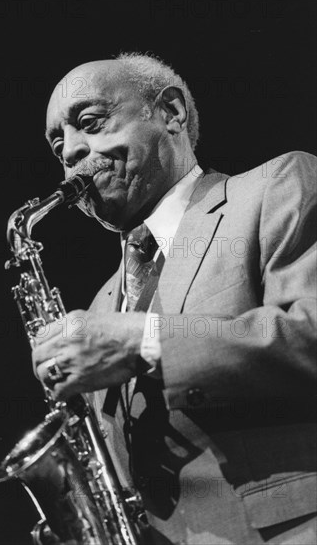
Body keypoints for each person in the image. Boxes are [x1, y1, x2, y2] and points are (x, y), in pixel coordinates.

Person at [33, 53, 317, 544]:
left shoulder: (275, 187)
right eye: (59, 144)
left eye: (90, 123)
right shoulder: (101, 305)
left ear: (171, 113)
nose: (73, 151)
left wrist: (146, 341)